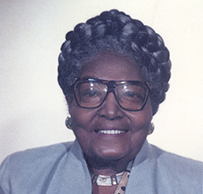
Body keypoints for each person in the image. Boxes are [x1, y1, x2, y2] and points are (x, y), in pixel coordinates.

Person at [0, 9, 202, 194]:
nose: (111, 111)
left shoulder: (195, 183)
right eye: (91, 92)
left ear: (152, 107)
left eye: (130, 94)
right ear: (70, 102)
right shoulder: (17, 176)